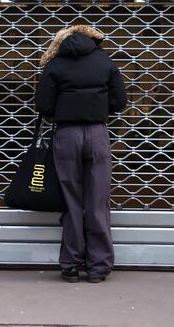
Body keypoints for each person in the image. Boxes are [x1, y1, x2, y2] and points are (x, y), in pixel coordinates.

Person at [34, 25, 127, 283]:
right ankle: (99, 267)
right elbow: (120, 102)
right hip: (98, 134)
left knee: (71, 200)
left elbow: (43, 104)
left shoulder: (54, 65)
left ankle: (71, 265)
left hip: (67, 135)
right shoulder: (105, 62)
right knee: (97, 202)